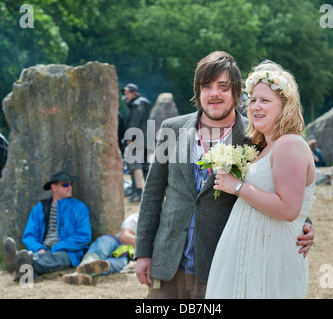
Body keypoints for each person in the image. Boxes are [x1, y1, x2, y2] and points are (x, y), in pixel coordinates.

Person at [134, 51, 314, 299]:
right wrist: (143, 252)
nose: (214, 93)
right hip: (167, 265)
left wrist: (305, 225)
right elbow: (152, 194)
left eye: (223, 86)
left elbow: (281, 188)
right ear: (198, 92)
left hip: (223, 266)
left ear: (236, 93)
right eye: (206, 86)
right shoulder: (171, 130)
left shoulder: (256, 137)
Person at [206, 60, 315, 299]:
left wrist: (237, 187)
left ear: (285, 106)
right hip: (251, 252)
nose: (256, 106)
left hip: (271, 256)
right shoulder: (265, 146)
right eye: (253, 100)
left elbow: (288, 209)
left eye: (265, 101)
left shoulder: (289, 144)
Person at [3, 170, 92, 281]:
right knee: (43, 258)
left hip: (68, 252)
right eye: (65, 184)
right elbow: (29, 236)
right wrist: (39, 249)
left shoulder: (80, 208)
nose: (70, 187)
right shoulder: (39, 209)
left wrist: (56, 247)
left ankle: (20, 262)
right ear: (54, 187)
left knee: (55, 258)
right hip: (42, 251)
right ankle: (25, 269)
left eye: (71, 184)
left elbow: (84, 236)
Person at [61, 213, 138, 285]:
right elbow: (124, 236)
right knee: (99, 251)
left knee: (107, 265)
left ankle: (79, 276)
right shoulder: (136, 218)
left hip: (126, 258)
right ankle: (81, 270)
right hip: (115, 242)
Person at [121, 83, 152, 202]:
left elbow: (134, 122)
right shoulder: (143, 105)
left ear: (134, 93)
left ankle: (139, 191)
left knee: (135, 164)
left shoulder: (136, 105)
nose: (125, 96)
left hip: (137, 139)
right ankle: (150, 192)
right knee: (145, 166)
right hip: (146, 139)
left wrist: (129, 137)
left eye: (127, 93)